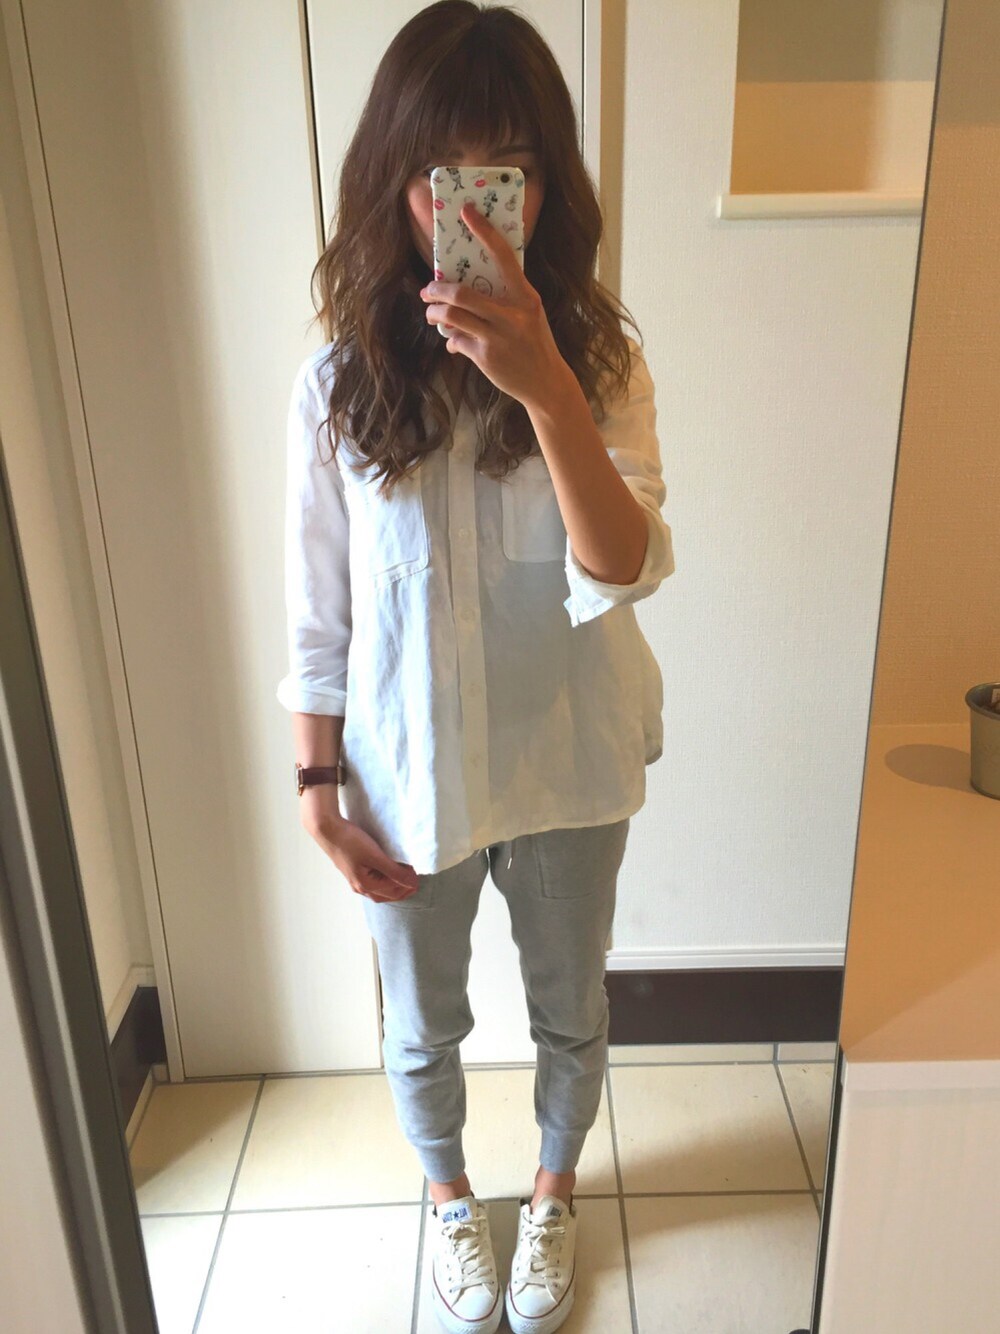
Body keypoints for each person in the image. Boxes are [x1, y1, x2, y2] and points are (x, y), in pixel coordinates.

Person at [276, 4, 675, 1331]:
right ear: (395, 179)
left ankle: (553, 1190)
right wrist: (316, 789)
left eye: (511, 169)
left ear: (548, 186)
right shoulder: (337, 385)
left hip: (569, 757)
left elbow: (623, 566)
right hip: (407, 766)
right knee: (420, 1018)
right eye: (446, 171)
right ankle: (451, 1199)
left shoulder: (601, 365)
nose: (477, 205)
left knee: (571, 1005)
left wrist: (547, 387)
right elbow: (319, 611)